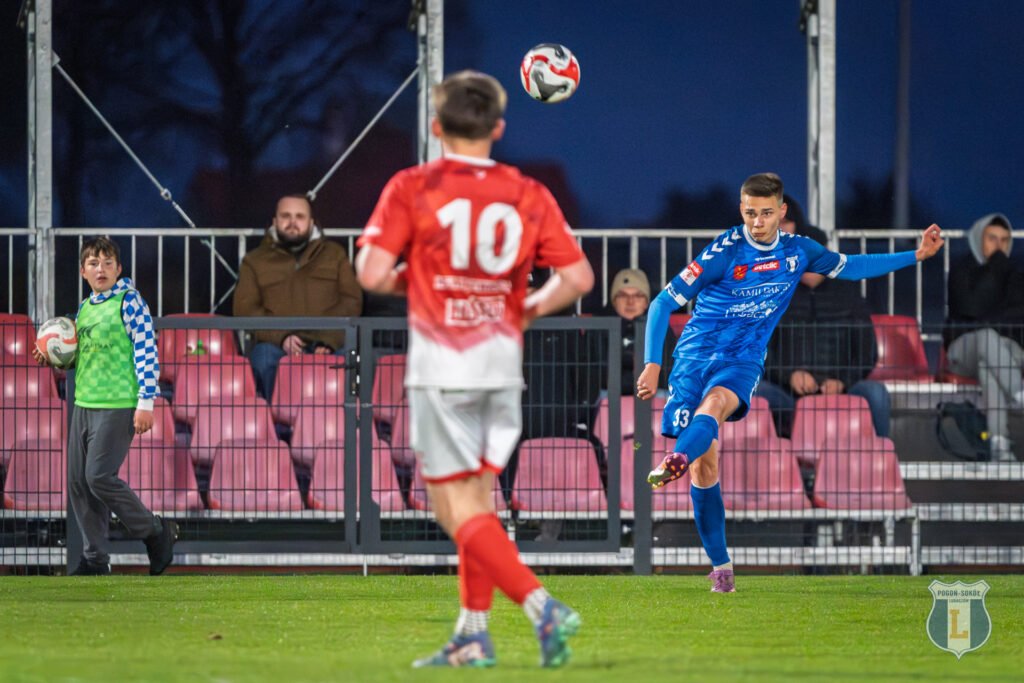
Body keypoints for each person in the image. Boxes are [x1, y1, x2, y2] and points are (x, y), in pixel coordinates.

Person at [355, 70, 593, 669]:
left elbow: (372, 273)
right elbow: (579, 277)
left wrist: (423, 281)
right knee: (478, 502)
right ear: (499, 128)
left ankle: (541, 606)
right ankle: (472, 635)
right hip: (501, 364)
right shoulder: (528, 191)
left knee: (451, 508)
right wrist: (523, 309)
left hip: (443, 365)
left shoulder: (414, 185)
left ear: (436, 128)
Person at [635, 173, 943, 592]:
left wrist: (916, 255)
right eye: (750, 213)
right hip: (694, 359)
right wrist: (653, 364)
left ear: (782, 212)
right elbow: (661, 303)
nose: (757, 222)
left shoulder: (799, 251)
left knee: (716, 407)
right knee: (706, 469)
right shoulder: (723, 253)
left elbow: (852, 266)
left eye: (766, 213)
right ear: (741, 210)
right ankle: (722, 568)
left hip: (741, 360)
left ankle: (676, 458)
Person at [33, 237, 178, 576]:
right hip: (84, 403)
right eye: (94, 263)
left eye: (108, 263)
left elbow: (146, 350)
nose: (101, 269)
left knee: (98, 477)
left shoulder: (130, 302)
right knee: (79, 484)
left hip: (118, 404)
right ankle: (96, 560)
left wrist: (146, 402)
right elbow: (83, 357)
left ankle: (155, 531)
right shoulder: (85, 308)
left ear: (118, 269)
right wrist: (53, 358)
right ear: (83, 271)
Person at [757, 197, 891, 438]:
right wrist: (789, 376)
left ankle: (881, 453)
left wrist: (842, 381)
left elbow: (866, 352)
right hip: (787, 392)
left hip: (842, 389)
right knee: (754, 392)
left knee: (876, 393)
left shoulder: (849, 295)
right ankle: (760, 459)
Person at [232, 194, 363, 399]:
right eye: (286, 216)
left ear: (311, 222)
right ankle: (276, 417)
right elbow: (246, 308)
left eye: (300, 217)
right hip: (277, 347)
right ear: (275, 221)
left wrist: (328, 340)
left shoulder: (335, 254)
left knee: (353, 358)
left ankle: (342, 417)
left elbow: (351, 301)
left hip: (329, 344)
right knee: (263, 358)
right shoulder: (254, 260)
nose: (292, 222)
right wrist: (282, 338)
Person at [944, 213, 1024, 462]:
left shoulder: (1014, 275)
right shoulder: (962, 271)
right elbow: (970, 306)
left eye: (1004, 240)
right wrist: (995, 268)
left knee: (989, 365)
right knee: (987, 337)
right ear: (979, 239)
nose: (999, 246)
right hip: (964, 348)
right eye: (992, 239)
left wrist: (987, 318)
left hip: (1003, 352)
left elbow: (1019, 314)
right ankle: (1018, 393)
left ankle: (999, 443)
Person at [602, 268, 675, 395]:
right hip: (610, 396)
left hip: (654, 395)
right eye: (623, 295)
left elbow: (668, 373)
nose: (630, 302)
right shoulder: (601, 328)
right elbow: (595, 375)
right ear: (614, 301)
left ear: (647, 302)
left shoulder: (661, 327)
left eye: (638, 295)